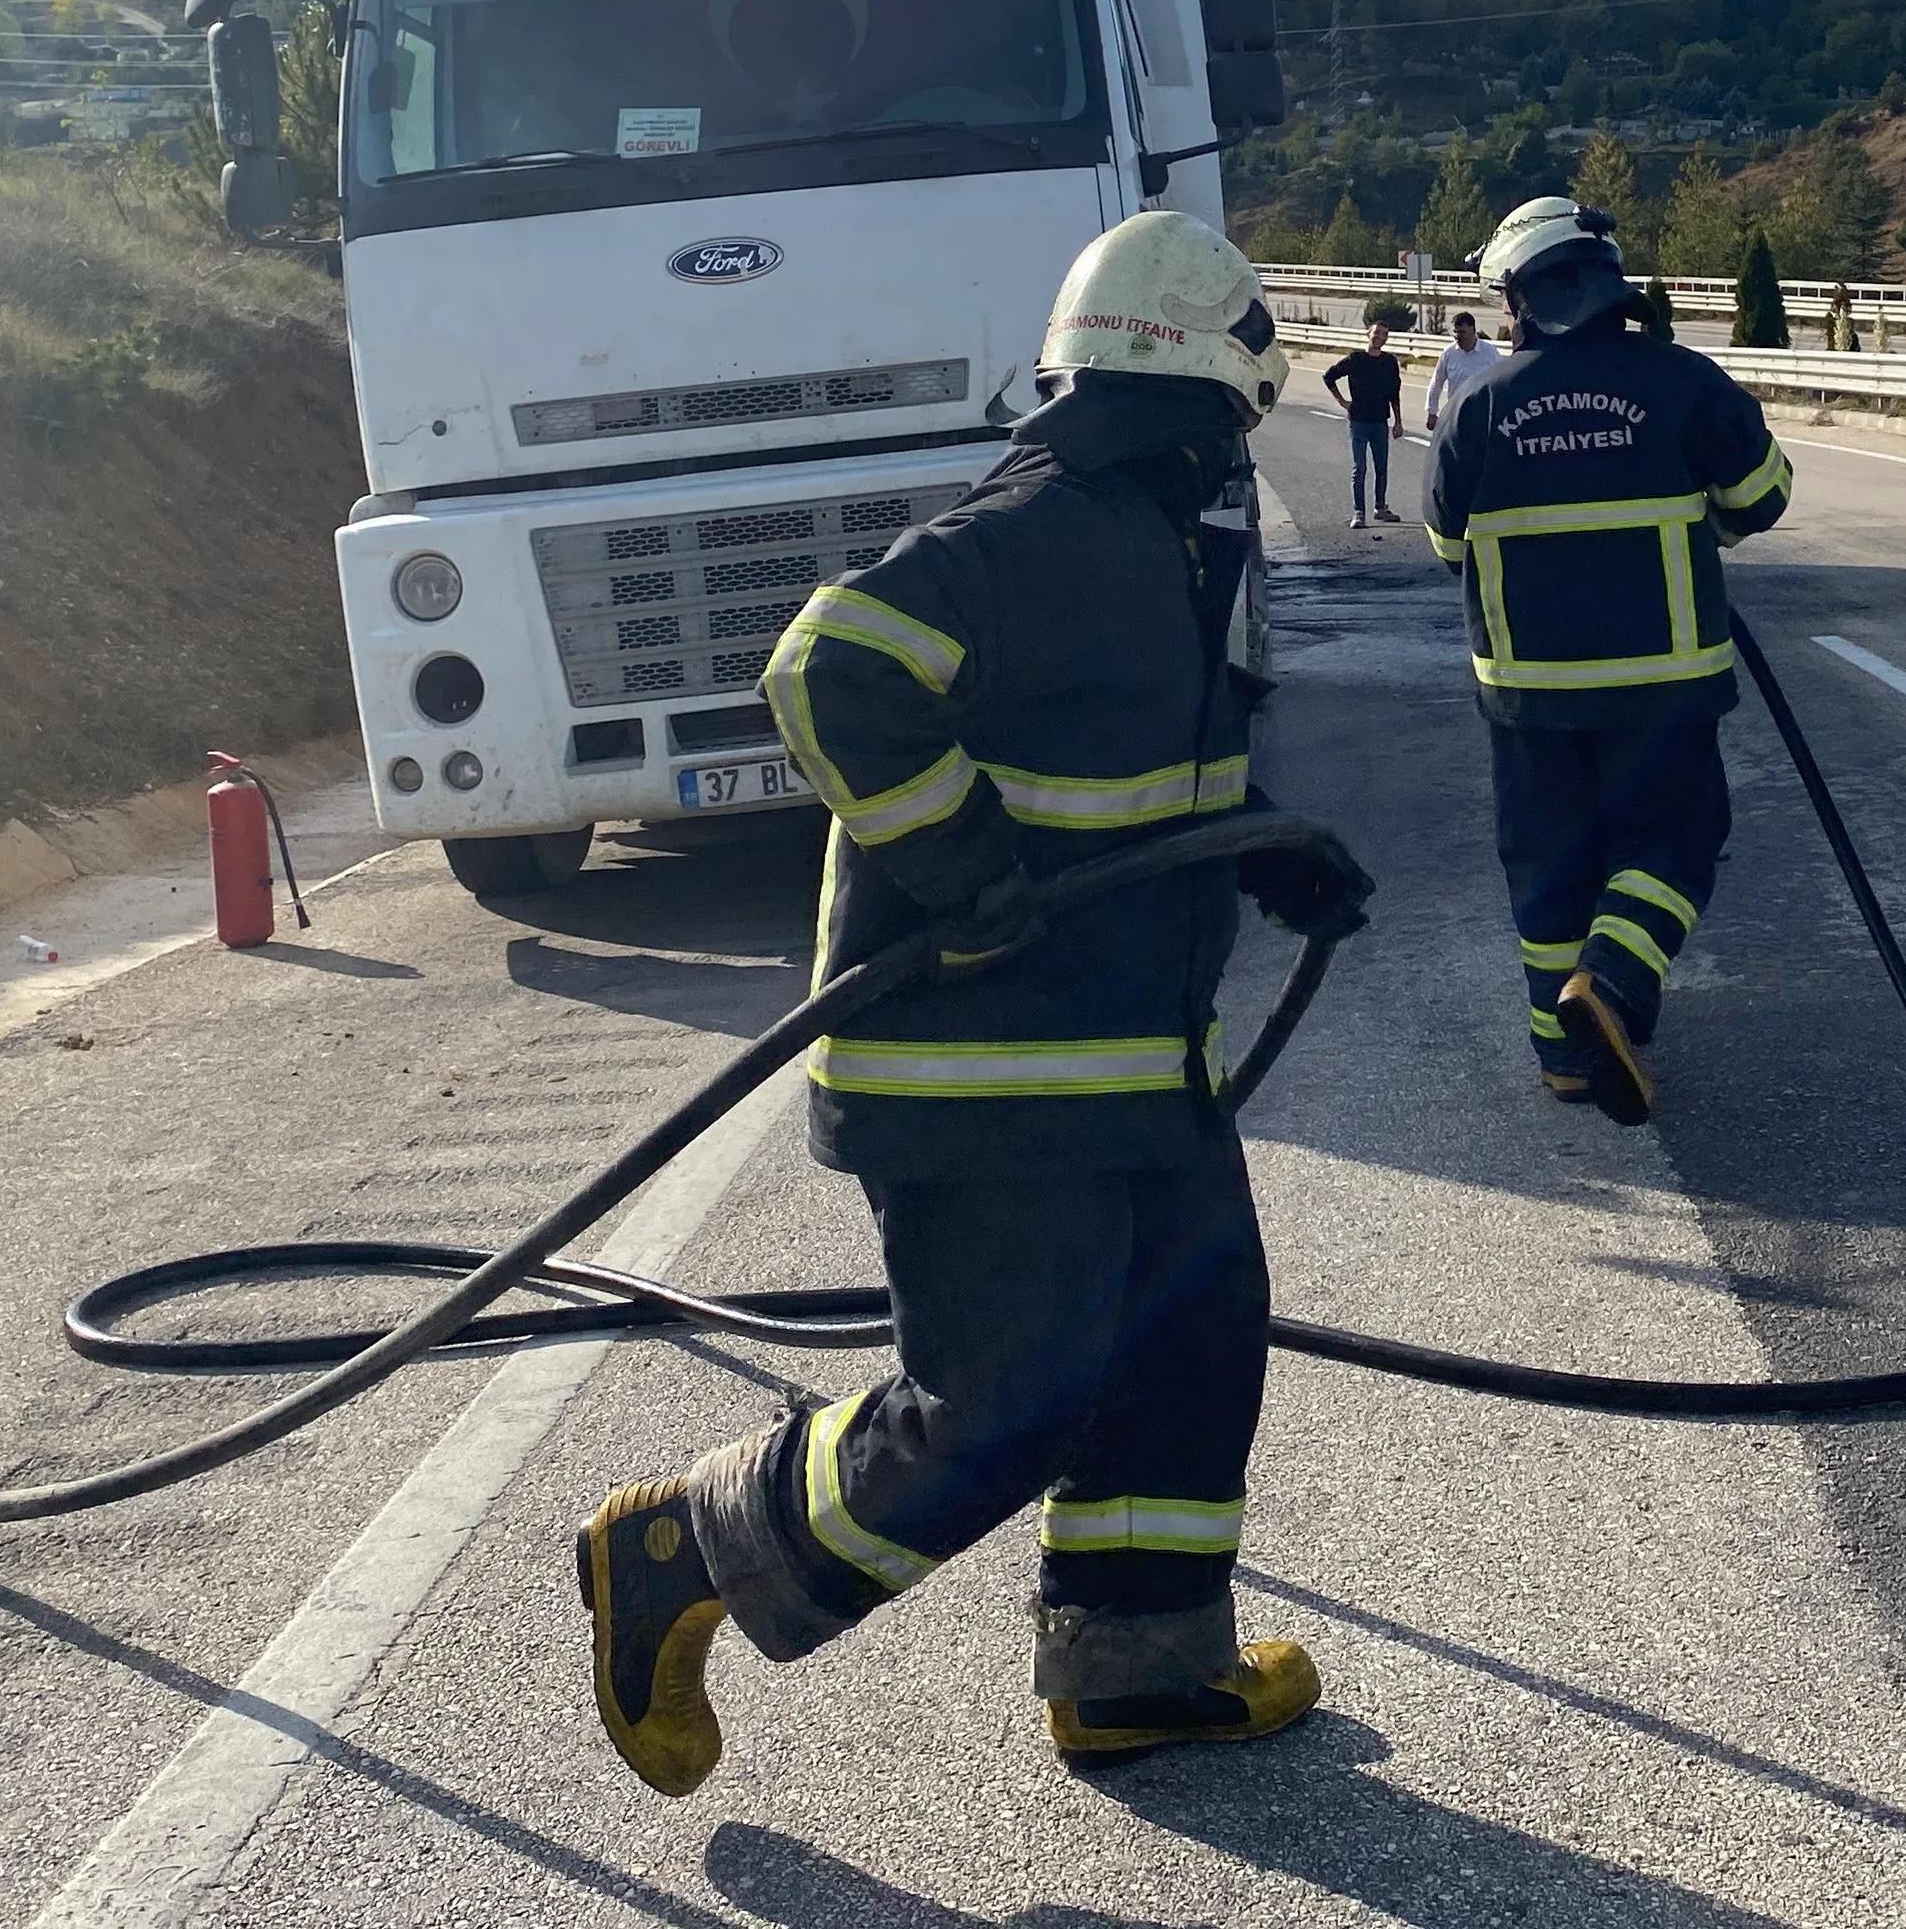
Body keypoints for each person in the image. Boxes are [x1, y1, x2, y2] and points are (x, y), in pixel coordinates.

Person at [573, 210, 1346, 1795]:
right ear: (1208, 388)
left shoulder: (1144, 540)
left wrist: (1264, 844)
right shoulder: (1045, 529)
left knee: (1191, 1349)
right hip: (989, 1080)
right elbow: (825, 667)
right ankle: (679, 1548)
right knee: (1002, 1408)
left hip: (1131, 1066)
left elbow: (1112, 749)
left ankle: (1137, 1671)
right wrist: (963, 866)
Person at [1425, 197, 1790, 1125]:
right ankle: (1616, 980)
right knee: (1671, 843)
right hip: (1661, 685)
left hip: (1527, 695)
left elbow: (1443, 542)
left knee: (1549, 865)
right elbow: (1763, 495)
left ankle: (1563, 1060)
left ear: (1516, 297)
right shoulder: (1683, 382)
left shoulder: (1476, 405)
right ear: (1610, 282)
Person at [1319, 317, 1406, 526]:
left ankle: (1381, 507)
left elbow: (1395, 392)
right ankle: (1359, 512)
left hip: (1379, 421)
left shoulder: (1390, 362)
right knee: (1359, 468)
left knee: (1381, 466)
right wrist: (1341, 401)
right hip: (1358, 421)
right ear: (1368, 333)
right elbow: (1329, 376)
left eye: (1384, 334)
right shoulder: (1355, 359)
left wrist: (1398, 421)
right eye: (1376, 333)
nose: (1380, 337)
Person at [1421, 308, 1501, 516]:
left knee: (1483, 459)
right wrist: (1432, 411)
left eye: (1462, 332)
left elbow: (1501, 381)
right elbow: (1436, 383)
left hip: (1483, 415)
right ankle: (1456, 504)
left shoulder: (1489, 352)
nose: (1458, 337)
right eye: (1455, 332)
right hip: (1456, 415)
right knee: (1456, 459)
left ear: (1474, 330)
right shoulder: (1449, 353)